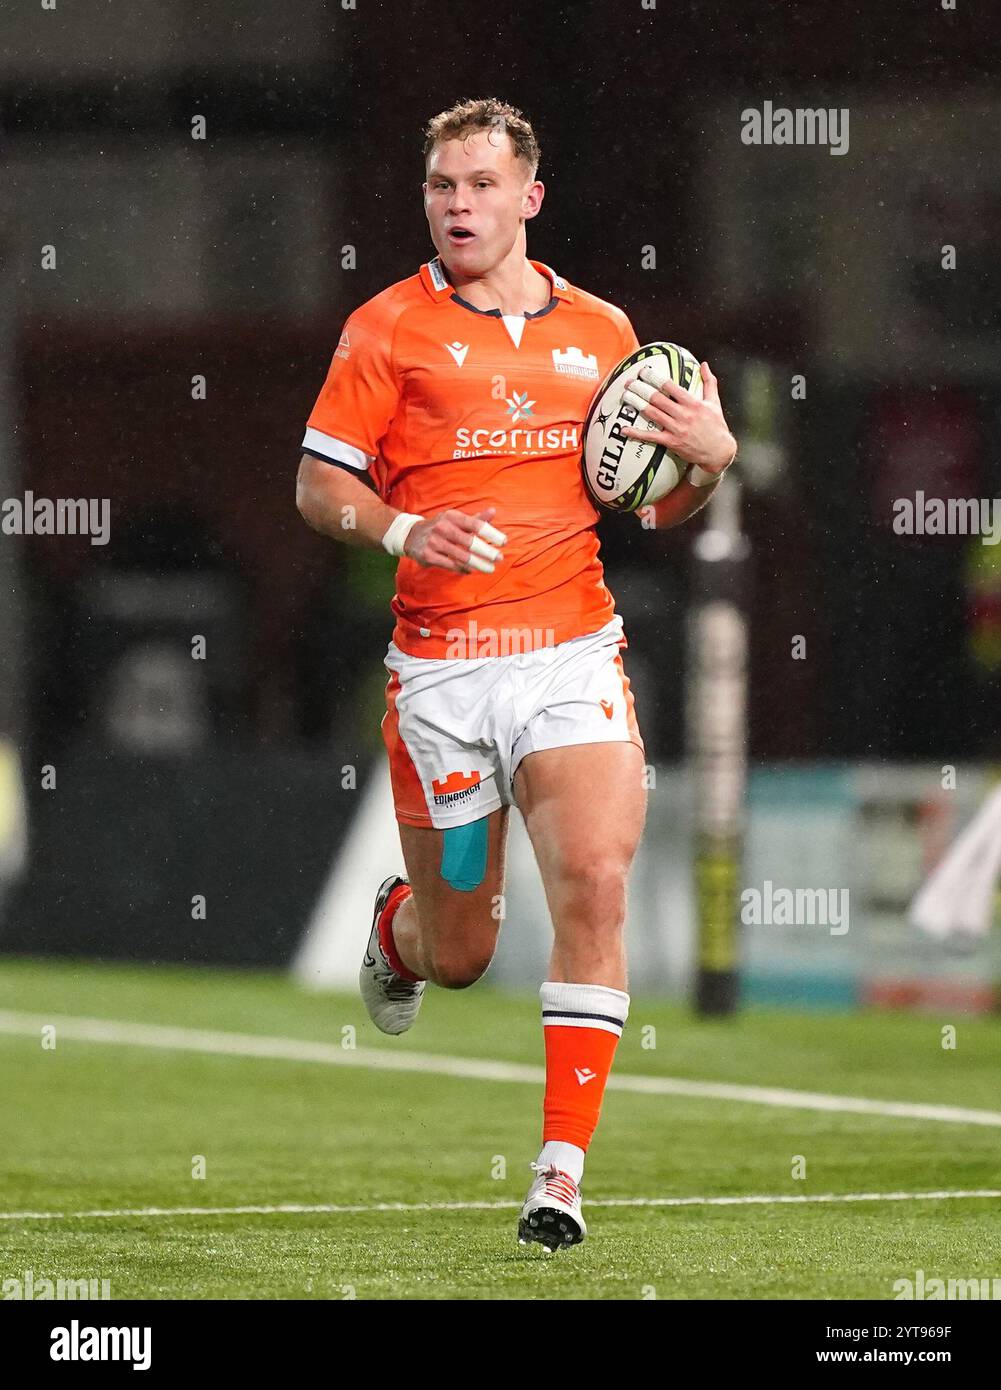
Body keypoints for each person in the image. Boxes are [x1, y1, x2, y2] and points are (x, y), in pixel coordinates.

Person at [296, 97, 737, 1252]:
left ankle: (558, 1174)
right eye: (442, 186)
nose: (458, 205)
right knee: (462, 953)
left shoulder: (604, 334)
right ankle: (400, 932)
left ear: (527, 198)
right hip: (441, 679)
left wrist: (710, 463)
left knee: (593, 879)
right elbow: (316, 486)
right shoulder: (382, 328)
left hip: (567, 657)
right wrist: (400, 532)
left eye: (481, 186)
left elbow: (656, 502)